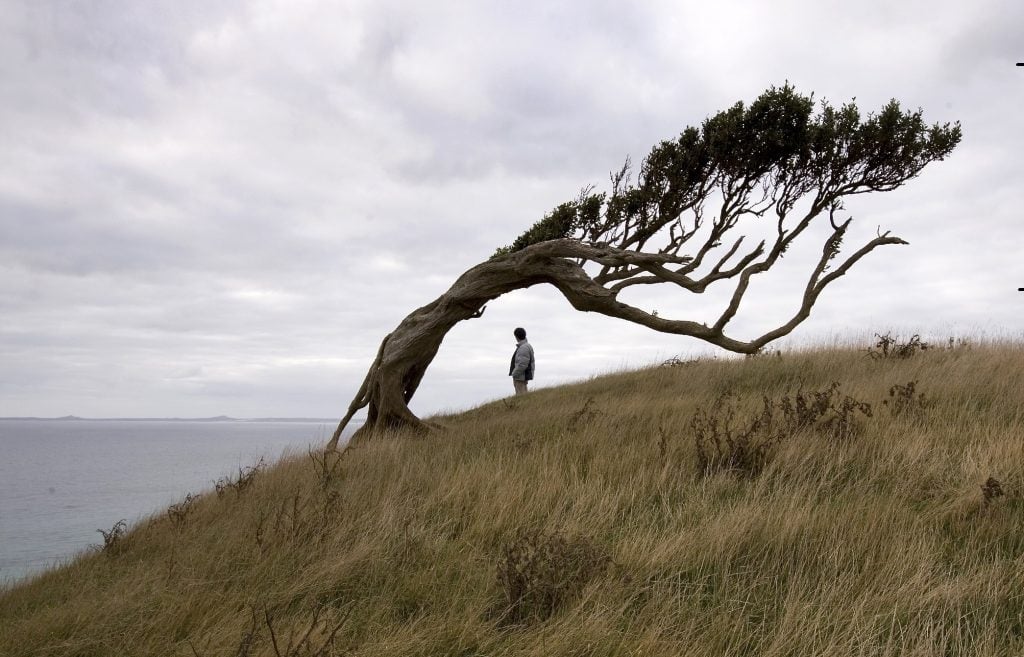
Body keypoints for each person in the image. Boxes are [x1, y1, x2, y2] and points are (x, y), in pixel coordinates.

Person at [508, 327, 535, 395]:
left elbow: (522, 364)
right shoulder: (525, 346)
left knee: (521, 396)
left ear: (516, 336)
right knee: (524, 396)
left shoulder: (523, 347)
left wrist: (514, 374)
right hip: (522, 376)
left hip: (520, 377)